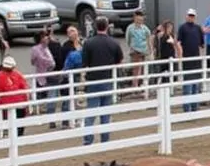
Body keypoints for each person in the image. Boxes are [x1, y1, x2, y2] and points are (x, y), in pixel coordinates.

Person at [80, 15, 123, 145]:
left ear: (95, 26)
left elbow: (84, 62)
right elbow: (119, 60)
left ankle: (88, 139)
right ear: (107, 25)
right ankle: (105, 139)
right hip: (107, 79)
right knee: (106, 112)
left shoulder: (88, 43)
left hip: (93, 80)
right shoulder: (114, 43)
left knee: (91, 111)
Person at [0, 56, 31, 136]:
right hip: (20, 102)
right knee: (20, 121)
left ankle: (13, 135)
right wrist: (27, 102)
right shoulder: (18, 74)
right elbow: (24, 87)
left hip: (7, 103)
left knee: (11, 121)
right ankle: (19, 135)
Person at [177, 9, 204, 113]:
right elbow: (179, 42)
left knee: (195, 85)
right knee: (188, 85)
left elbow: (202, 44)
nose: (191, 17)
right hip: (187, 59)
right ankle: (187, 108)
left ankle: (194, 107)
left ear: (195, 17)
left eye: (192, 16)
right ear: (186, 16)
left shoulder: (198, 28)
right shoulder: (182, 27)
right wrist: (180, 54)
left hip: (196, 59)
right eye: (189, 15)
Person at [29, 30, 55, 121]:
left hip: (49, 74)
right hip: (41, 74)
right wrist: (50, 63)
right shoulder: (36, 49)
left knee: (50, 95)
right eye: (44, 37)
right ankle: (38, 114)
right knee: (40, 95)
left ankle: (50, 117)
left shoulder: (47, 47)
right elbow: (35, 60)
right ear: (40, 39)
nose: (47, 38)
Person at [60, 26, 83, 126]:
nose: (72, 33)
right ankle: (65, 121)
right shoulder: (66, 46)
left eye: (73, 31)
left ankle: (76, 118)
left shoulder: (82, 43)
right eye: (69, 32)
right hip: (68, 74)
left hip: (78, 74)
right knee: (67, 97)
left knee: (76, 97)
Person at [125, 10, 152, 89]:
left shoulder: (145, 28)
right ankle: (135, 86)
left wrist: (150, 51)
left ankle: (141, 85)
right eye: (138, 19)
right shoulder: (130, 28)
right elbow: (128, 39)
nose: (140, 21)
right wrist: (132, 47)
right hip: (135, 51)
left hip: (144, 51)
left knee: (143, 69)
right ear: (134, 18)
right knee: (136, 69)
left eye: (141, 20)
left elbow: (148, 39)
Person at [153, 20, 177, 86]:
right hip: (163, 56)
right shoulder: (161, 35)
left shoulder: (172, 35)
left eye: (171, 28)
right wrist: (158, 29)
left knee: (171, 72)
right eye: (169, 28)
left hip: (171, 56)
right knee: (162, 72)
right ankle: (161, 84)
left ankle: (171, 86)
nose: (170, 29)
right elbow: (155, 36)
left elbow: (175, 44)